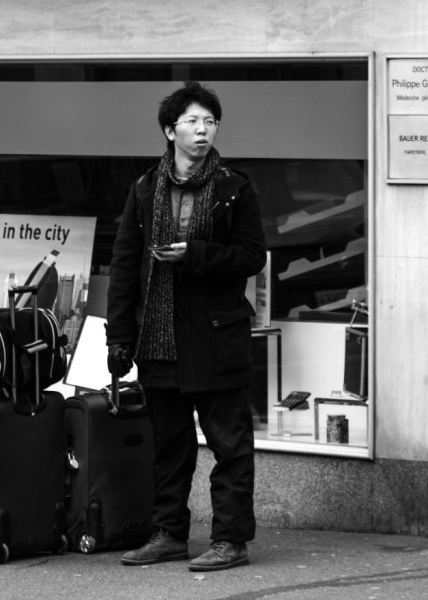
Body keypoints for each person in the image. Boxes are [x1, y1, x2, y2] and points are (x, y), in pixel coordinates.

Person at [106, 80, 267, 572]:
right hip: (160, 339)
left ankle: (231, 541)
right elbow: (125, 264)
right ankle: (170, 534)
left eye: (210, 122)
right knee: (170, 449)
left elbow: (250, 257)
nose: (203, 130)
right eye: (193, 122)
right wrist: (119, 338)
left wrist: (194, 255)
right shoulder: (145, 188)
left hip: (216, 336)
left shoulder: (233, 188)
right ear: (169, 130)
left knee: (230, 446)